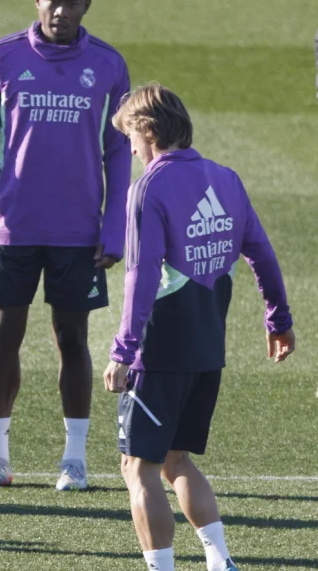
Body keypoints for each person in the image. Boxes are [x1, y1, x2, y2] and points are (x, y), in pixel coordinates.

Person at [0, 0, 130, 491]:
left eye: (72, 3)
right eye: (53, 1)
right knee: (5, 336)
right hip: (14, 224)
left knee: (72, 338)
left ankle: (73, 460)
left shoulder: (107, 64)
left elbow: (119, 151)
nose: (61, 11)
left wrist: (115, 228)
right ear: (37, 0)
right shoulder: (2, 57)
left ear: (86, 7)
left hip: (79, 230)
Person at [104, 83, 295, 571]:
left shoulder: (149, 187)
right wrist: (279, 319)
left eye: (129, 140)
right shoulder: (225, 177)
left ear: (147, 132)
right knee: (176, 461)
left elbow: (141, 274)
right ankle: (219, 561)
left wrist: (124, 351)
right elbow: (262, 253)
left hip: (160, 351)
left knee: (138, 467)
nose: (130, 151)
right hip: (207, 348)